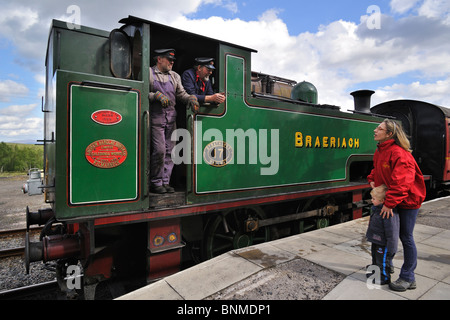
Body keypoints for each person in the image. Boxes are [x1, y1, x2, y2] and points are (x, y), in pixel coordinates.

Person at [367, 119, 426, 292]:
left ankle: (408, 277)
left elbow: (402, 183)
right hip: (393, 199)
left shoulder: (400, 154)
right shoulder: (381, 151)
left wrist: (389, 204)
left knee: (405, 237)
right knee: (387, 235)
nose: (375, 130)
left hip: (408, 201)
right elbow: (377, 170)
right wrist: (372, 180)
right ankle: (386, 268)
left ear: (389, 134)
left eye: (379, 128)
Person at [148, 49, 199, 194]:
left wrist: (191, 98)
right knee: (159, 151)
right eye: (168, 59)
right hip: (156, 117)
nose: (172, 62)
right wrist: (155, 95)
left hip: (171, 118)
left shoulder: (175, 76)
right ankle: (155, 182)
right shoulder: (149, 73)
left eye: (173, 60)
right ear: (159, 59)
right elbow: (142, 91)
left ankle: (165, 182)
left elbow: (181, 94)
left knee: (170, 152)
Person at [366, 184, 399, 285]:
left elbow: (392, 231)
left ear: (382, 201)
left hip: (383, 242)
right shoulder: (376, 209)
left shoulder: (388, 213)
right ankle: (376, 272)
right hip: (375, 239)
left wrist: (391, 246)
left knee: (383, 261)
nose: (371, 200)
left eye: (374, 198)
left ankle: (384, 277)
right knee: (375, 257)